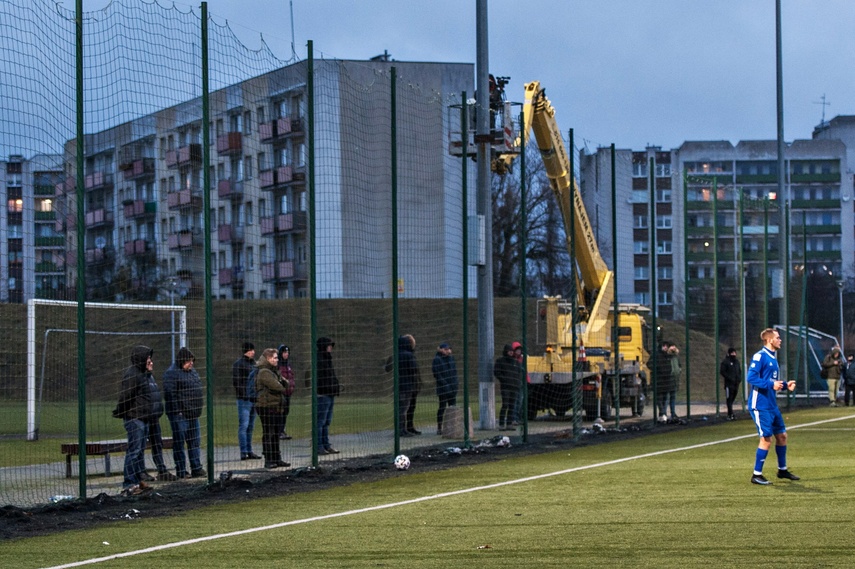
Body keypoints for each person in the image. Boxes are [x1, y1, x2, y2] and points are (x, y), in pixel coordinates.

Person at [747, 328, 799, 485]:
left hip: (771, 405)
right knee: (766, 439)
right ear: (769, 340)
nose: (780, 340)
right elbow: (751, 377)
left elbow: (772, 383)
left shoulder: (772, 358)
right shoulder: (760, 356)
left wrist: (784, 385)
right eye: (778, 337)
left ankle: (782, 470)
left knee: (782, 436)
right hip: (760, 405)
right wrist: (771, 384)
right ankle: (756, 475)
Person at [112, 345, 161, 495]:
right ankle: (129, 484)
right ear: (141, 359)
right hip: (135, 418)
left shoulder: (143, 374)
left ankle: (138, 480)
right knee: (134, 451)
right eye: (148, 359)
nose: (151, 362)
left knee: (139, 451)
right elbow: (126, 396)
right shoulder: (133, 375)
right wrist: (120, 411)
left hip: (143, 418)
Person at [163, 347, 206, 479]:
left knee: (194, 442)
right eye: (189, 361)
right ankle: (181, 470)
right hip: (180, 415)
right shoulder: (172, 373)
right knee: (179, 443)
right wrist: (178, 411)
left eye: (192, 361)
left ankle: (196, 467)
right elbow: (170, 394)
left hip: (193, 414)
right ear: (182, 360)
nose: (191, 364)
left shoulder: (192, 372)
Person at [254, 348, 290, 469]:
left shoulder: (274, 371)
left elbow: (286, 383)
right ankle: (269, 459)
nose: (277, 360)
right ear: (268, 359)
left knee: (275, 433)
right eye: (274, 358)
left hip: (275, 405)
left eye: (277, 357)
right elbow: (278, 386)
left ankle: (277, 458)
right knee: (269, 433)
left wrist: (282, 383)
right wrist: (281, 383)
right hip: (266, 406)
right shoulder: (264, 372)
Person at [233, 342, 261, 461]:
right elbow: (237, 382)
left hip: (253, 399)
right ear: (246, 351)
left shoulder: (254, 365)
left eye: (253, 350)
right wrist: (245, 395)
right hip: (244, 400)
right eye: (251, 350)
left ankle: (249, 450)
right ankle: (243, 451)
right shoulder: (239, 364)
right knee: (244, 425)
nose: (253, 352)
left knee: (250, 426)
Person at [316, 336, 341, 454]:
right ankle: (319, 446)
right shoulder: (319, 360)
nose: (331, 348)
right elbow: (320, 379)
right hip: (322, 395)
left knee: (326, 421)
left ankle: (326, 444)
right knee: (320, 421)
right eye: (329, 345)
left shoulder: (327, 359)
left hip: (330, 393)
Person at [432, 342, 458, 435]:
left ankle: (453, 426)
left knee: (453, 407)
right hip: (443, 388)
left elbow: (454, 372)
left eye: (449, 349)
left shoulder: (451, 359)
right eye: (446, 349)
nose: (449, 351)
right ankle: (439, 427)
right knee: (442, 407)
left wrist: (455, 384)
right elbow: (437, 374)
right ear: (441, 350)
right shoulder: (437, 360)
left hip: (452, 387)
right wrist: (445, 384)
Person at [494, 343, 522, 430]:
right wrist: (504, 380)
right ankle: (501, 424)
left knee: (512, 405)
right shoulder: (500, 361)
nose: (511, 353)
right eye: (509, 351)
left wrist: (517, 381)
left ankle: (509, 424)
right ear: (506, 351)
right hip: (506, 387)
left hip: (514, 387)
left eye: (512, 351)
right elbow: (497, 372)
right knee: (505, 405)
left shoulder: (516, 362)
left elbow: (519, 372)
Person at [398, 334, 421, 436]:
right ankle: (404, 429)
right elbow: (414, 369)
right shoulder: (409, 355)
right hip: (409, 385)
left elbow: (387, 367)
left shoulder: (396, 354)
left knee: (402, 408)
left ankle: (404, 428)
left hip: (400, 385)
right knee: (406, 408)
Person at [647, 341, 673, 423]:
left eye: (667, 346)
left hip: (666, 380)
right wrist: (658, 369)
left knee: (664, 398)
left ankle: (662, 414)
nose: (665, 347)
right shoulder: (656, 355)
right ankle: (662, 413)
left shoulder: (668, 356)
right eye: (664, 346)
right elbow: (649, 364)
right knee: (660, 398)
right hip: (659, 380)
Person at [277, 344, 296, 440]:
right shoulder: (278, 365)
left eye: (288, 352)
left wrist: (292, 387)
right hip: (281, 394)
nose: (286, 354)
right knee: (280, 412)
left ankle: (282, 430)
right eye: (285, 352)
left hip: (288, 394)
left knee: (285, 412)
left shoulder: (288, 365)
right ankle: (278, 431)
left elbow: (291, 378)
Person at [720, 347, 743, 420]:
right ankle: (730, 414)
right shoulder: (725, 362)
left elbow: (739, 371)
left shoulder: (736, 362)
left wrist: (739, 379)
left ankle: (730, 413)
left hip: (736, 384)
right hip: (729, 384)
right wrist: (730, 378)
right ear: (729, 353)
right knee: (729, 399)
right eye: (732, 353)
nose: (734, 354)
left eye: (734, 353)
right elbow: (722, 372)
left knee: (732, 399)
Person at [666, 342, 681, 423]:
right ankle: (664, 413)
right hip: (668, 380)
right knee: (667, 398)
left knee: (673, 398)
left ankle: (673, 413)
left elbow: (679, 366)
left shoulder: (676, 357)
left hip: (675, 380)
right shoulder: (667, 357)